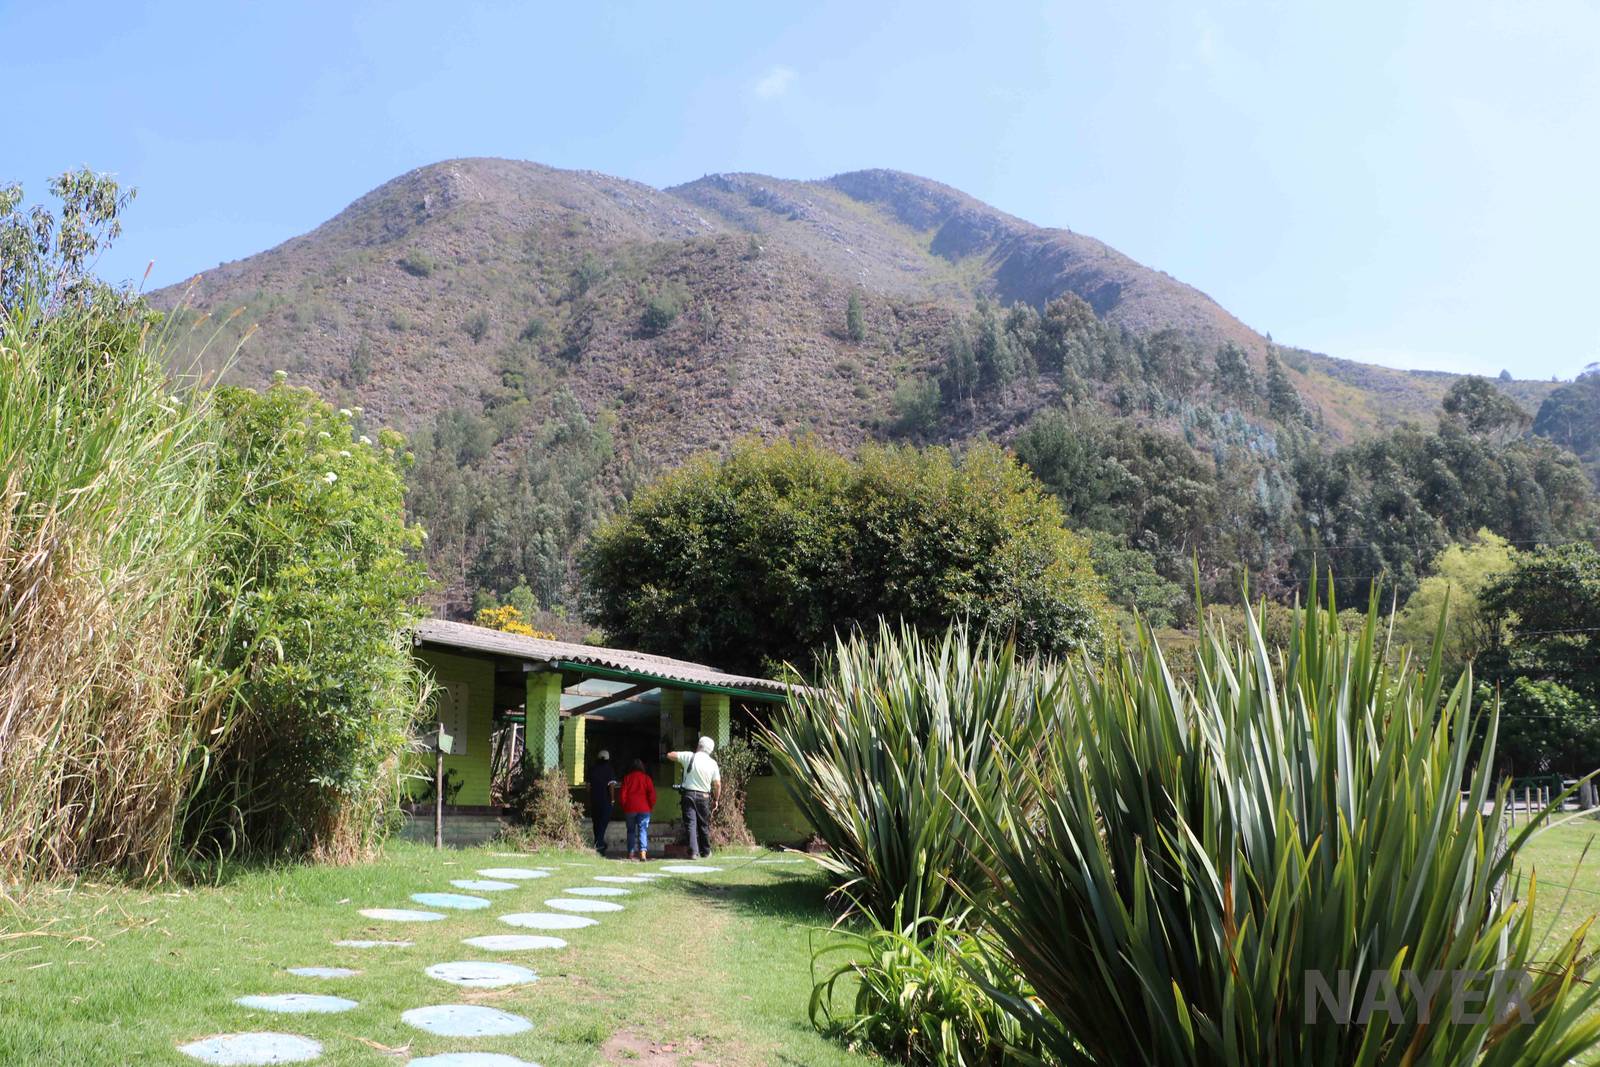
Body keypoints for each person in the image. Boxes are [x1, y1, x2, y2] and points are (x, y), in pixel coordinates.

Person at [665, 736, 721, 861]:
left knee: (691, 824)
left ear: (698, 746)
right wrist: (716, 799)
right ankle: (706, 852)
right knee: (703, 825)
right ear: (710, 750)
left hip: (689, 794)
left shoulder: (689, 756)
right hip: (704, 796)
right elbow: (717, 784)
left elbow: (670, 755)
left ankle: (693, 853)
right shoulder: (713, 763)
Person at [618, 758, 657, 861]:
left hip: (630, 808)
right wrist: (650, 806)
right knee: (643, 830)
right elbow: (652, 794)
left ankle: (631, 853)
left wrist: (624, 806)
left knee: (631, 831)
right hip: (644, 808)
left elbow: (622, 795)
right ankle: (643, 853)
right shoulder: (646, 778)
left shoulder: (627, 778)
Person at [589, 749, 619, 855]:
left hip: (594, 800)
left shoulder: (592, 769)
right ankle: (600, 845)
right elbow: (611, 786)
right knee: (603, 823)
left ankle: (599, 842)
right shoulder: (609, 770)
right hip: (605, 801)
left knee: (596, 823)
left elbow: (588, 787)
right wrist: (612, 799)